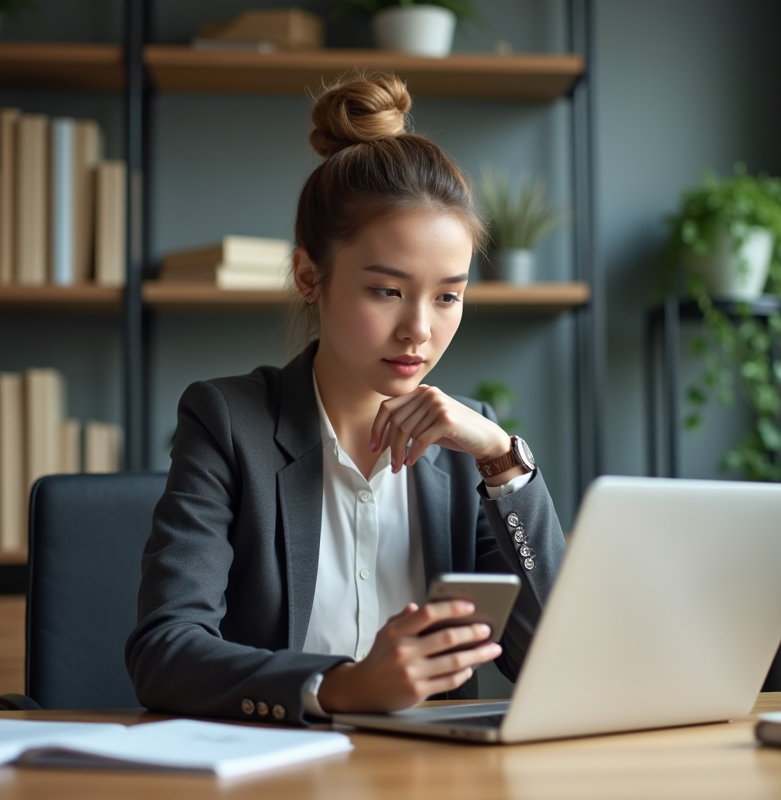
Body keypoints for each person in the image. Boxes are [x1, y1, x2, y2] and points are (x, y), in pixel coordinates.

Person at [126, 71, 567, 725]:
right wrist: (336, 688)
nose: (420, 328)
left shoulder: (466, 450)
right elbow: (165, 653)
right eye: (387, 290)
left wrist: (505, 463)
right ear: (311, 275)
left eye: (448, 295)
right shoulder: (229, 424)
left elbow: (548, 657)